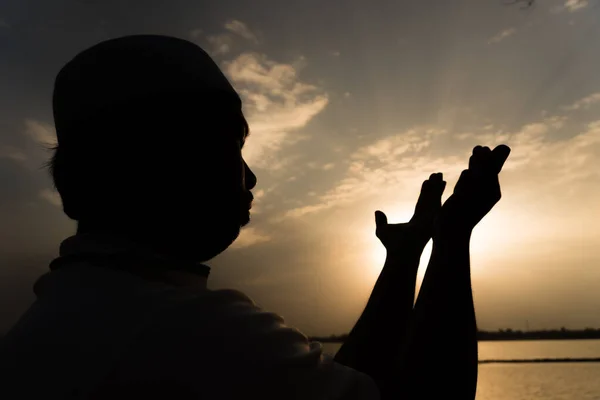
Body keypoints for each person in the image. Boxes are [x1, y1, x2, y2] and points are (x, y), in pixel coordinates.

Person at [0, 34, 510, 400]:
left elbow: (354, 387)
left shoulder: (71, 318)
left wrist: (402, 259)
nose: (251, 177)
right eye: (232, 147)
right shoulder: (187, 332)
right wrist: (453, 235)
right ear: (165, 159)